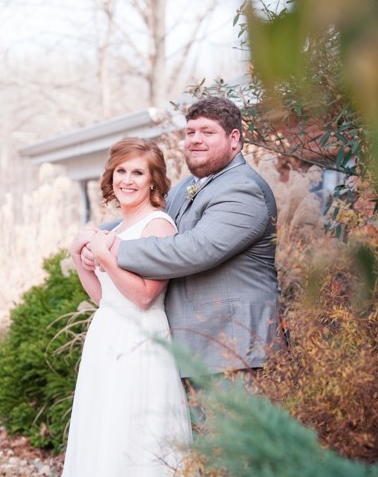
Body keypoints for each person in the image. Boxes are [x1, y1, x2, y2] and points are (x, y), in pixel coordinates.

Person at [42, 138, 225, 477]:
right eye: (121, 172)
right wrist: (87, 263)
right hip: (108, 342)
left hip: (141, 348)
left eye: (138, 174)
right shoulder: (118, 226)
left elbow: (145, 296)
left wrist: (105, 250)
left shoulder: (158, 225)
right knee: (103, 444)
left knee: (133, 446)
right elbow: (107, 297)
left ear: (153, 181)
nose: (127, 180)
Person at [85, 95, 282, 388]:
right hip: (197, 351)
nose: (195, 140)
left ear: (234, 139)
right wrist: (95, 236)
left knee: (231, 435)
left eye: (207, 132)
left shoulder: (243, 190)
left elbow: (193, 250)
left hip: (235, 351)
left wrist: (111, 249)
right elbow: (145, 220)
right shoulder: (187, 187)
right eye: (190, 132)